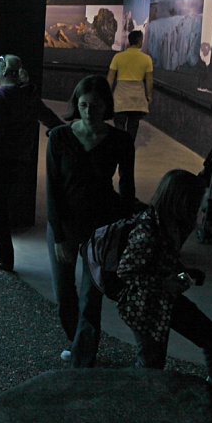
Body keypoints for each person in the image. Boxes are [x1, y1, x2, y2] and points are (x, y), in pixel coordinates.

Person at [46, 74, 135, 367]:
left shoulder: (121, 140)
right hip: (65, 223)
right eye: (83, 105)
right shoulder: (59, 137)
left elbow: (127, 188)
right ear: (76, 104)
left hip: (102, 226)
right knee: (64, 293)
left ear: (106, 106)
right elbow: (53, 189)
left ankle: (84, 357)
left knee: (91, 296)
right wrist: (59, 236)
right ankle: (77, 341)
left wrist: (124, 229)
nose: (89, 112)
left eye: (95, 106)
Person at [116, 169, 212, 378]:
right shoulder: (149, 230)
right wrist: (165, 283)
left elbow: (161, 261)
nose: (200, 209)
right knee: (151, 367)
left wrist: (183, 272)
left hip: (164, 301)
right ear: (182, 201)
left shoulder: (168, 223)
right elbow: (126, 272)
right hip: (145, 307)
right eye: (196, 203)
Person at [0, 54, 63, 272]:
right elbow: (50, 118)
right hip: (20, 161)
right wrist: (66, 131)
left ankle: (5, 258)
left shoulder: (2, 94)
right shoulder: (28, 92)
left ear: (6, 73)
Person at [106, 29, 154, 141]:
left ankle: (121, 147)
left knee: (119, 124)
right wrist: (149, 95)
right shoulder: (146, 59)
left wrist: (107, 93)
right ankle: (129, 147)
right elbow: (149, 80)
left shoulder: (118, 57)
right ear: (139, 41)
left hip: (121, 95)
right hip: (137, 97)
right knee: (133, 125)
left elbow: (110, 77)